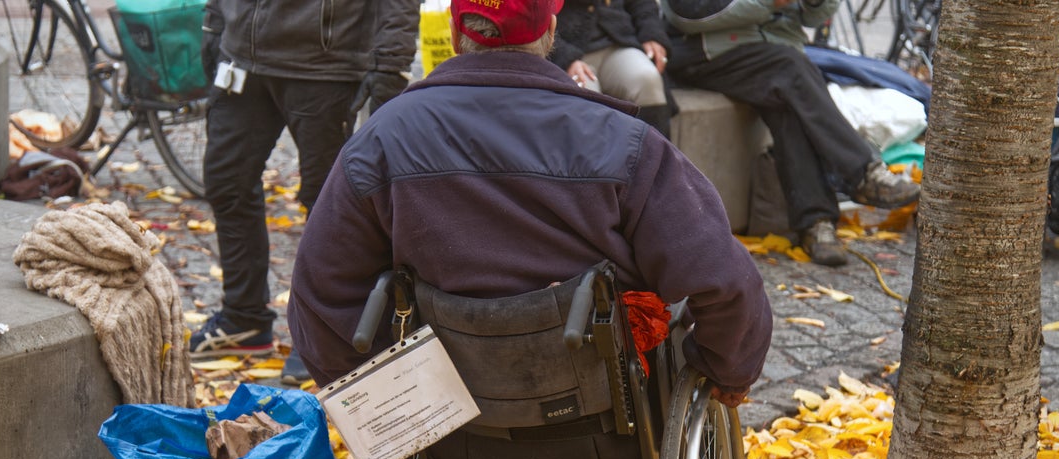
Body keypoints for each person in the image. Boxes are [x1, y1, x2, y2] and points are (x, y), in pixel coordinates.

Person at [288, 0, 773, 411]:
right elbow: (726, 283)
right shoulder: (626, 143)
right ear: (551, 31)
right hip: (606, 405)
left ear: (457, 34)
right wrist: (724, 374)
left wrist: (384, 404)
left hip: (446, 407)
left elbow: (320, 290)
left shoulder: (382, 138)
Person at [189, 0, 419, 384]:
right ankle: (244, 319)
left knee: (328, 204)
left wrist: (391, 64)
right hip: (242, 59)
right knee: (226, 181)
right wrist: (214, 22)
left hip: (325, 67)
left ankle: (320, 334)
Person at [661, 0, 921, 266]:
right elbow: (686, 12)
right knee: (790, 70)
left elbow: (812, 18)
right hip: (704, 51)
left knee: (786, 99)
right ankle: (861, 174)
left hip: (773, 50)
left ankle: (816, 224)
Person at [549, 0, 674, 138]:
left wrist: (651, 32)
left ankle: (654, 157)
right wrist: (565, 57)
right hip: (564, 51)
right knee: (586, 96)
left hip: (618, 41)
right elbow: (534, 19)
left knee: (648, 79)